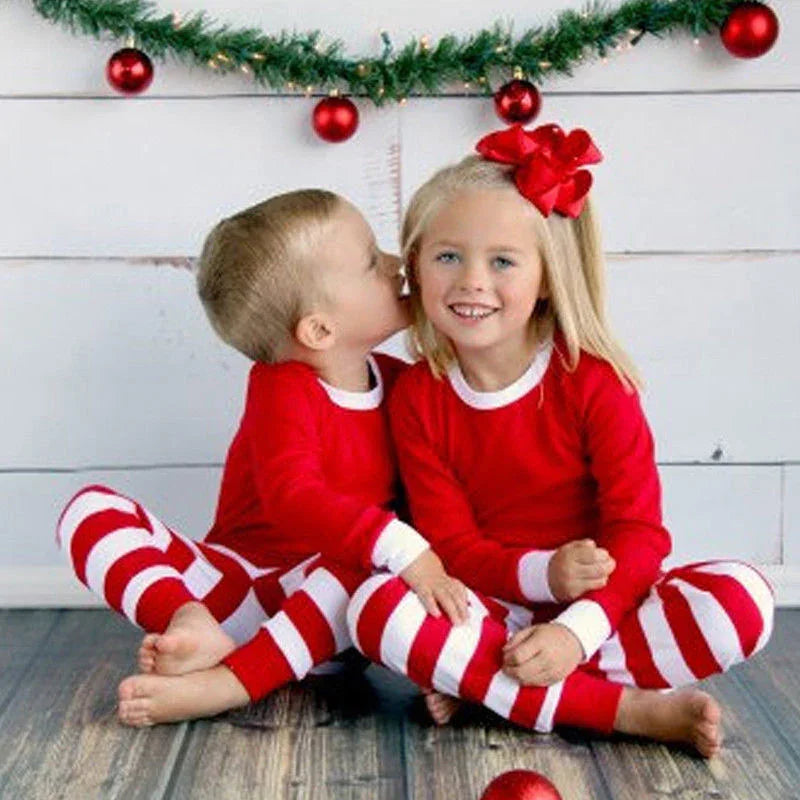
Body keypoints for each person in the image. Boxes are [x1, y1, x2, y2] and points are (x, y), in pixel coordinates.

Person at [345, 123, 774, 758]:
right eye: (447, 256)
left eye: (503, 261)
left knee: (743, 600)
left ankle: (493, 688)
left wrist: (577, 630)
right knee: (374, 610)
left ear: (547, 278)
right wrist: (543, 574)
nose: (471, 281)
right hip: (493, 611)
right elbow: (453, 546)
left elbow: (640, 533)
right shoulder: (419, 397)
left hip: (604, 613)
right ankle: (622, 711)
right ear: (414, 265)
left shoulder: (593, 382)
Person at [56, 189, 467, 727]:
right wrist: (402, 547)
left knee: (363, 566)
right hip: (234, 587)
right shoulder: (283, 387)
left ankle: (230, 681)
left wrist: (434, 648)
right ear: (320, 329)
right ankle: (191, 626)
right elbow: (293, 498)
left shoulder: (404, 387)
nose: (396, 265)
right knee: (89, 511)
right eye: (372, 262)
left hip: (325, 615)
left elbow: (435, 505)